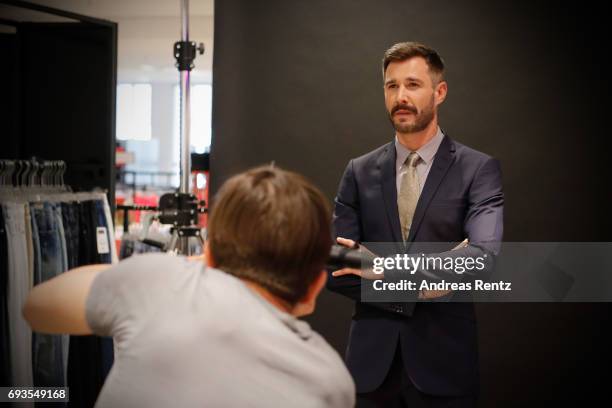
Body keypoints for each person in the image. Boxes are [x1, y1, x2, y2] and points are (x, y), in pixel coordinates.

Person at [23, 166, 356, 408]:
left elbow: (37, 307)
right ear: (315, 286)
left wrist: (193, 265)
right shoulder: (331, 381)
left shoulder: (159, 284)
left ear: (209, 252)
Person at [328, 42, 504, 407]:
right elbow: (336, 265)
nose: (400, 96)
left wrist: (380, 268)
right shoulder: (359, 171)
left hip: (445, 366)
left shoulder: (477, 170)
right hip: (371, 369)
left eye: (412, 84)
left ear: (439, 92)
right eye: (392, 86)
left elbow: (480, 258)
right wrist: (428, 280)